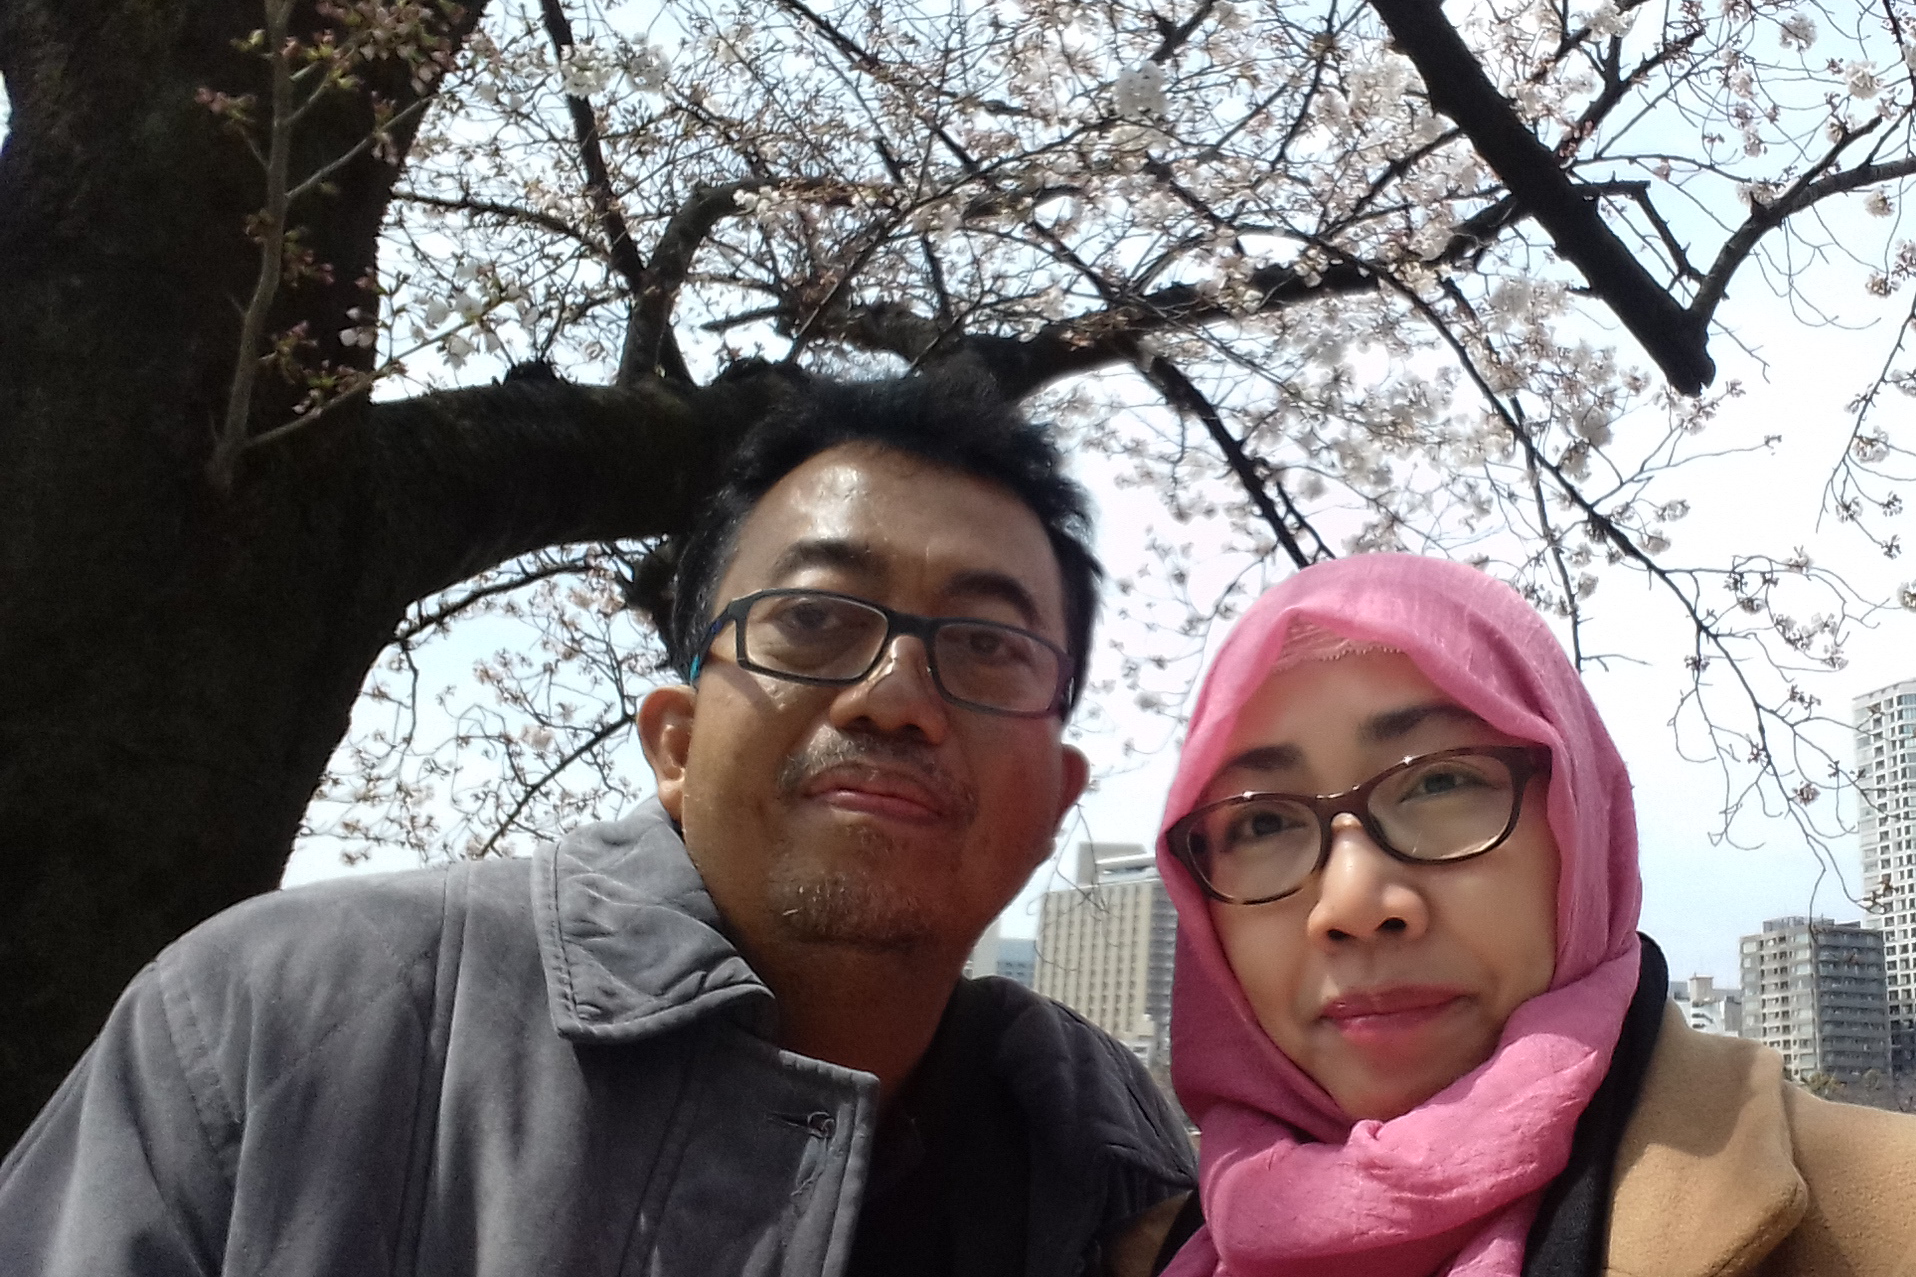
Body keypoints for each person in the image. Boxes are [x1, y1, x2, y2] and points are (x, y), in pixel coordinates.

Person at [0, 373, 1194, 1276]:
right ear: (675, 741)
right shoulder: (283, 1021)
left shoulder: (1121, 1169)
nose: (894, 699)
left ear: (1056, 802)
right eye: (815, 620)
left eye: (986, 646)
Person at [1131, 553, 1916, 1277]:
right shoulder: (1132, 1249)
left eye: (1442, 783)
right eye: (1259, 823)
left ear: (1581, 826)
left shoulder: (1915, 1229)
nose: (1353, 903)